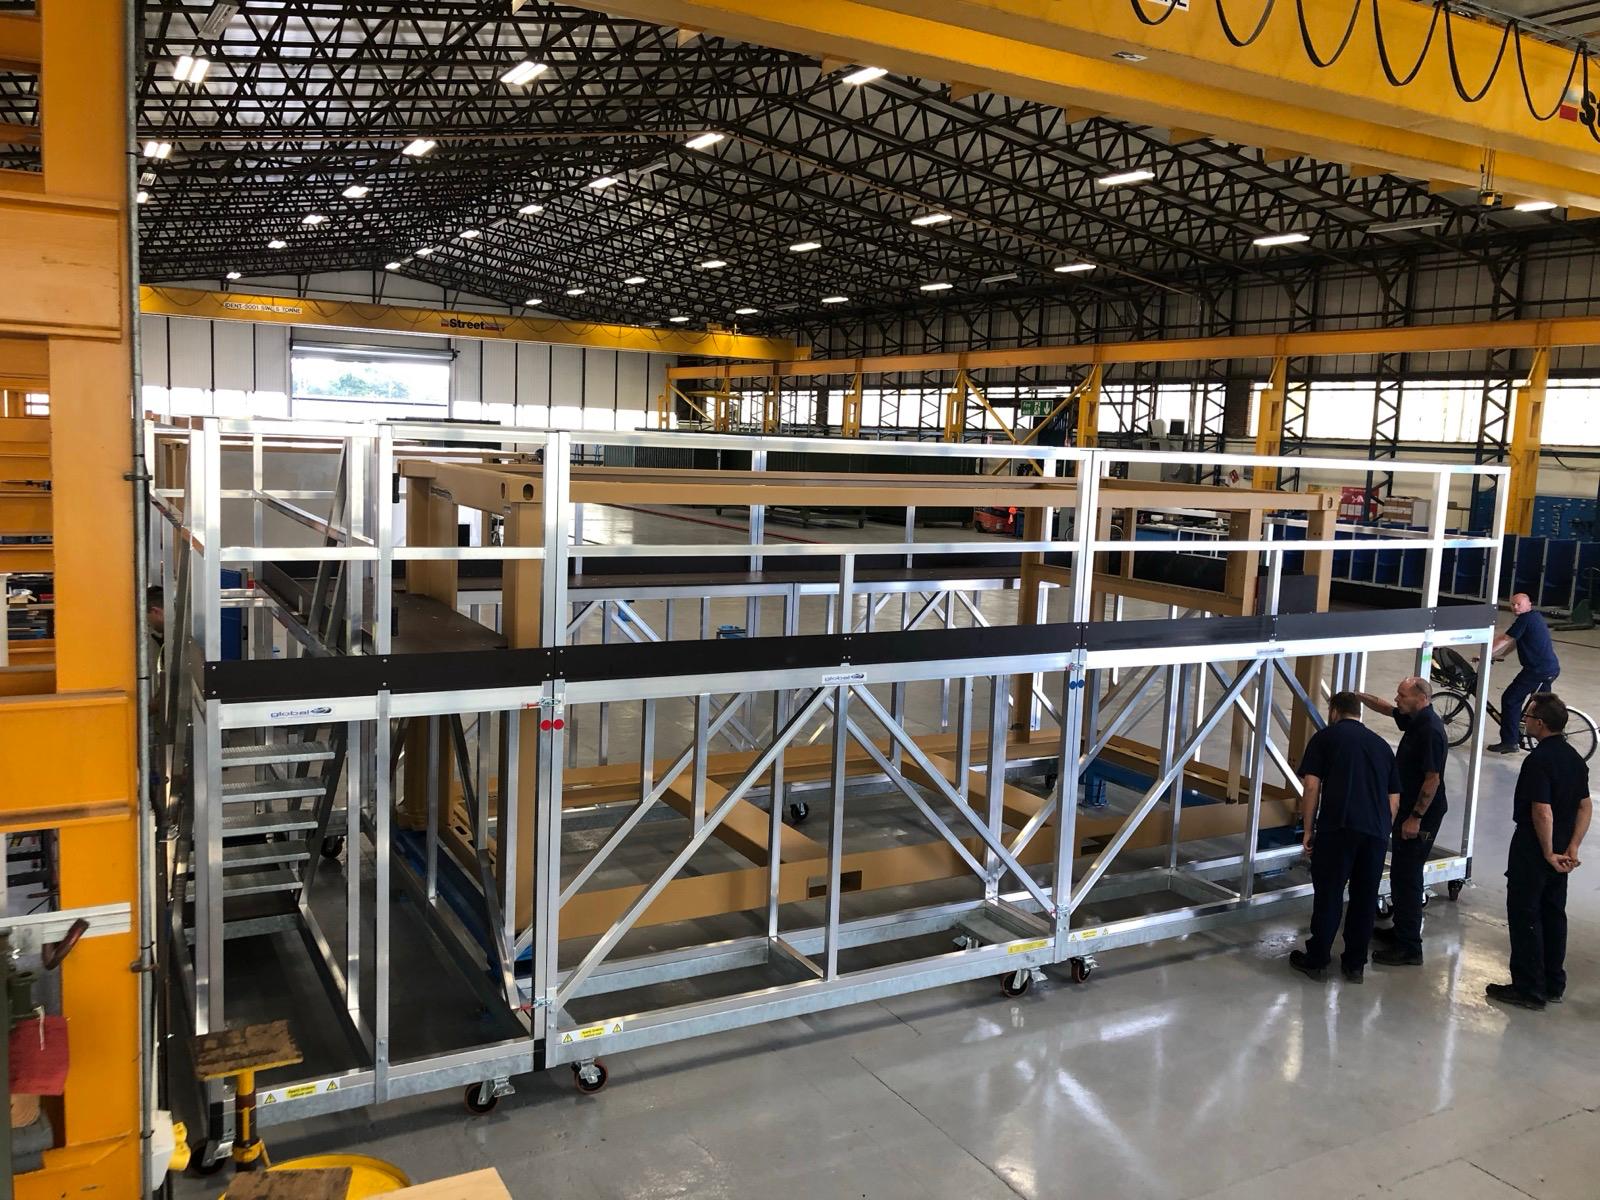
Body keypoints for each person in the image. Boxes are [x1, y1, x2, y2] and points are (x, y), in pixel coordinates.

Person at [1487, 693, 1592, 1011]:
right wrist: (1571, 846)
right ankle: (1552, 983)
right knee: (1553, 913)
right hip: (1562, 848)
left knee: (1525, 914)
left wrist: (1547, 852)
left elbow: (1541, 811)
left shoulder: (1538, 761)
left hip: (1535, 849)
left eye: (1529, 717)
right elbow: (1584, 806)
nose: (1526, 721)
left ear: (1541, 724)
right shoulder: (1575, 759)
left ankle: (1528, 988)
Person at [1290, 691, 1402, 983]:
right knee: (1365, 898)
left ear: (1334, 711)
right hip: (1375, 833)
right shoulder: (1381, 746)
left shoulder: (1325, 739)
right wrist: (1381, 829)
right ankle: (1354, 965)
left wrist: (1309, 827)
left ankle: (1316, 961)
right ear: (1358, 713)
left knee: (1329, 894)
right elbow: (1394, 800)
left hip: (1338, 828)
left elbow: (1312, 786)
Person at [1487, 593, 1560, 753]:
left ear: (1529, 604)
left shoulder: (1525, 619)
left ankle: (1510, 741)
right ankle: (1537, 737)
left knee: (1510, 699)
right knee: (1542, 706)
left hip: (1538, 671)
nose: (1515, 607)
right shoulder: (1533, 617)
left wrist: (1485, 653)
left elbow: (1505, 638)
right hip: (1546, 668)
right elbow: (1515, 640)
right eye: (1513, 604)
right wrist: (1501, 655)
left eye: (1519, 604)